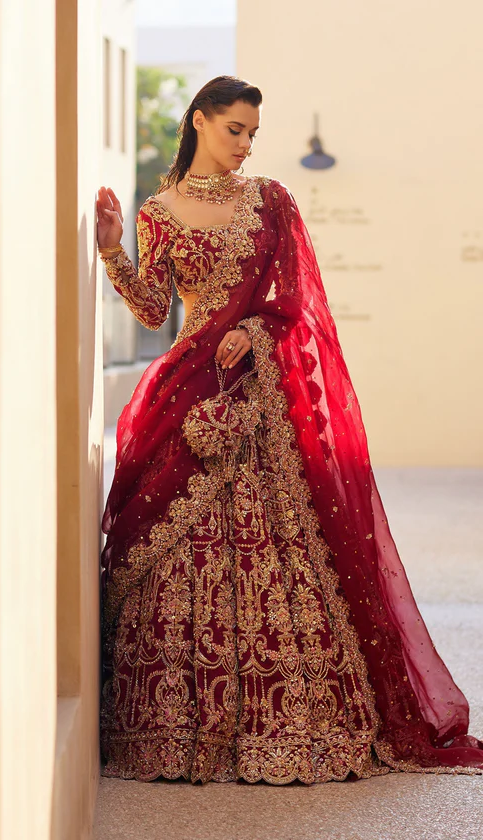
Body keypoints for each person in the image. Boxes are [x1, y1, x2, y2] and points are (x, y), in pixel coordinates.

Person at [95, 75, 483, 785]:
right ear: (199, 121)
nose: (243, 145)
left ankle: (293, 723)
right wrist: (114, 251)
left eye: (252, 134)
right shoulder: (158, 211)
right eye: (233, 129)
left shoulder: (271, 200)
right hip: (187, 392)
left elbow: (297, 299)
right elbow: (155, 311)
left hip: (258, 400)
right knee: (168, 548)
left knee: (288, 549)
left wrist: (250, 325)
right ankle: (173, 732)